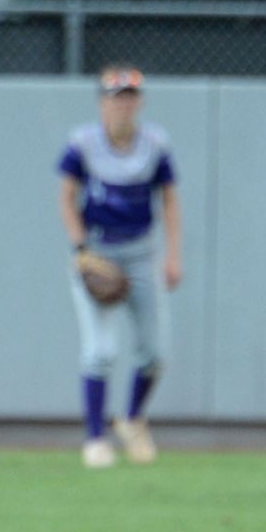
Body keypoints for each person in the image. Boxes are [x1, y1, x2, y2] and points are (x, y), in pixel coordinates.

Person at [58, 64, 182, 468]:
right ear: (102, 103)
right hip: (97, 251)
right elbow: (66, 198)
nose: (123, 104)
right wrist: (80, 249)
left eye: (130, 97)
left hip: (142, 252)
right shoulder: (83, 144)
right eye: (116, 97)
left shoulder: (155, 144)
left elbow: (169, 200)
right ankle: (95, 439)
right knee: (100, 351)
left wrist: (173, 254)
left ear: (139, 102)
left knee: (154, 353)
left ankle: (132, 419)